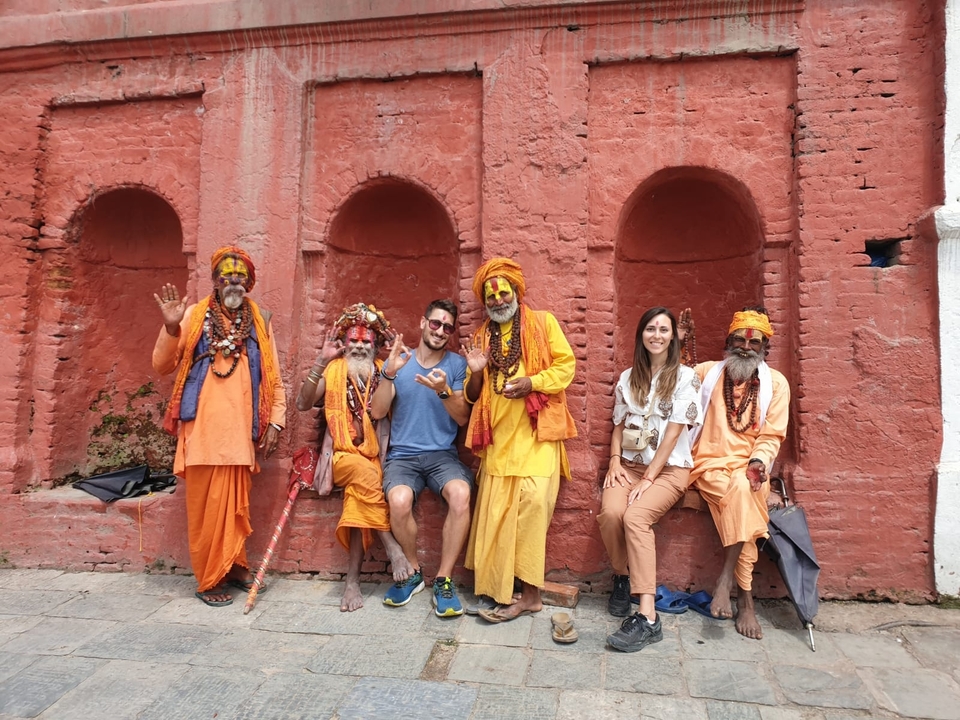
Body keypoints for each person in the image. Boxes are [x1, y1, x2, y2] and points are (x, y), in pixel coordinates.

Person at [152, 246, 286, 608]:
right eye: (227, 275)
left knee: (236, 507)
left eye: (240, 276)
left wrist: (276, 419)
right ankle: (209, 578)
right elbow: (162, 365)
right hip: (202, 433)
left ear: (249, 283)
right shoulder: (193, 316)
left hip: (241, 432)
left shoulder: (260, 321)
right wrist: (170, 327)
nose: (234, 282)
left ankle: (235, 565)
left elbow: (273, 376)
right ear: (215, 280)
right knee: (207, 510)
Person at [462, 257, 577, 622]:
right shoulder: (481, 337)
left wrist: (533, 382)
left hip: (537, 436)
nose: (498, 300)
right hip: (498, 440)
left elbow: (566, 366)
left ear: (516, 292)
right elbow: (472, 395)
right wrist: (476, 373)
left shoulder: (543, 323)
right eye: (490, 296)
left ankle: (530, 597)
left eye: (503, 293)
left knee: (531, 510)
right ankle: (498, 590)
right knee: (496, 516)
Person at [295, 303, 413, 612]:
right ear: (345, 344)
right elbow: (302, 404)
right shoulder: (334, 370)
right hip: (340, 456)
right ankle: (391, 546)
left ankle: (351, 582)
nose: (359, 346)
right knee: (365, 475)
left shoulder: (384, 370)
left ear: (375, 345)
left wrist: (398, 351)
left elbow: (411, 378)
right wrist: (320, 361)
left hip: (373, 457)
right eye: (354, 340)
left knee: (359, 495)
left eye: (365, 341)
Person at [598, 307, 703, 652]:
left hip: (669, 470)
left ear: (673, 337)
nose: (656, 335)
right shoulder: (628, 377)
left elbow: (673, 435)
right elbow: (618, 426)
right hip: (628, 466)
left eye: (663, 329)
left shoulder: (686, 378)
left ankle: (648, 617)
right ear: (641, 334)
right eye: (650, 329)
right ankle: (622, 576)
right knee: (611, 514)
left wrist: (649, 478)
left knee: (636, 517)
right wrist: (614, 461)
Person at [686, 305, 790, 639]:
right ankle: (744, 598)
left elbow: (772, 436)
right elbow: (672, 381)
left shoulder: (776, 384)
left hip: (750, 468)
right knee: (743, 496)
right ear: (728, 341)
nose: (746, 347)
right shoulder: (707, 373)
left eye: (754, 342)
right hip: (708, 465)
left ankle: (727, 582)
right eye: (739, 340)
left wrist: (758, 463)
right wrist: (681, 344)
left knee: (745, 490)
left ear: (764, 347)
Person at [369, 300, 473, 616]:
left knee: (461, 494)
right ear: (423, 322)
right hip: (403, 456)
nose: (440, 331)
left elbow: (462, 418)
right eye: (436, 323)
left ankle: (443, 580)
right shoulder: (399, 362)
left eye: (447, 327)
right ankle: (414, 572)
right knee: (398, 500)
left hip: (442, 455)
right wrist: (389, 374)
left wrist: (443, 390)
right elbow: (378, 411)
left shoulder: (456, 365)